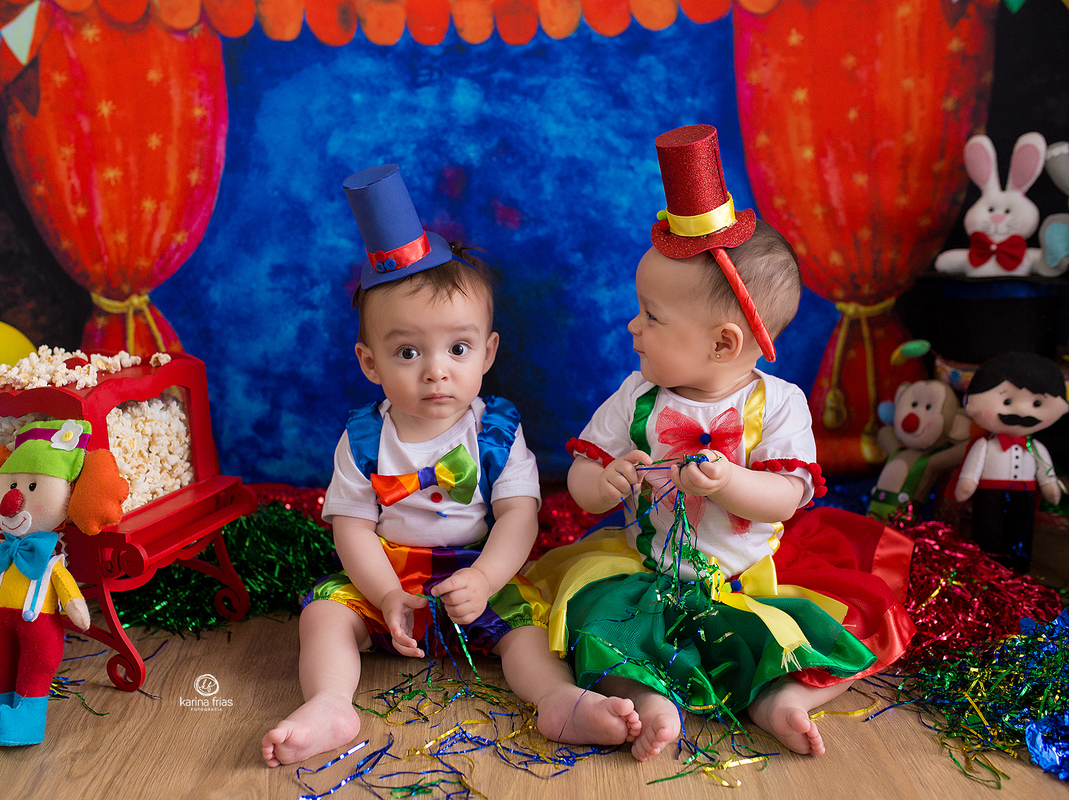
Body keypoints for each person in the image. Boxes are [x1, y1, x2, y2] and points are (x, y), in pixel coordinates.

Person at [527, 125, 915, 761]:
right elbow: (581, 478)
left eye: (651, 316)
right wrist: (605, 482)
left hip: (750, 575)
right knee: (600, 625)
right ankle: (648, 698)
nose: (634, 326)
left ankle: (780, 700)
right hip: (647, 569)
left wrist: (731, 482)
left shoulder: (779, 403)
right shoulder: (638, 396)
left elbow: (789, 498)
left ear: (724, 343)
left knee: (821, 634)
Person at [262, 164, 639, 767]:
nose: (436, 370)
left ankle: (555, 700)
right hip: (387, 574)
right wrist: (384, 594)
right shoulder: (364, 438)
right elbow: (352, 527)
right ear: (369, 362)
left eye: (457, 348)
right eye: (408, 351)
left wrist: (488, 579)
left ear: (487, 352)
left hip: (473, 570)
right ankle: (332, 702)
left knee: (526, 629)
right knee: (325, 615)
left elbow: (519, 515)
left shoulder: (495, 431)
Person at [955, 351, 1068, 573]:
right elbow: (971, 473)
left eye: (1037, 403)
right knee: (987, 532)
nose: (1023, 411)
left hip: (1024, 497)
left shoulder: (1036, 448)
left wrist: (1050, 486)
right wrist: (967, 484)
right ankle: (986, 570)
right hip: (989, 495)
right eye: (1007, 401)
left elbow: (1046, 474)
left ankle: (1019, 573)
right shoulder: (985, 445)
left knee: (1022, 534)